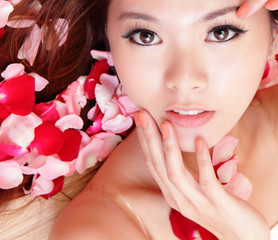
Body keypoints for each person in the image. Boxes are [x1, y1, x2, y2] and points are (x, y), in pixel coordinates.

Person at [1, 0, 278, 239]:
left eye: (221, 32)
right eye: (146, 36)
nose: (183, 80)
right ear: (110, 42)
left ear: (273, 37)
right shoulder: (103, 230)